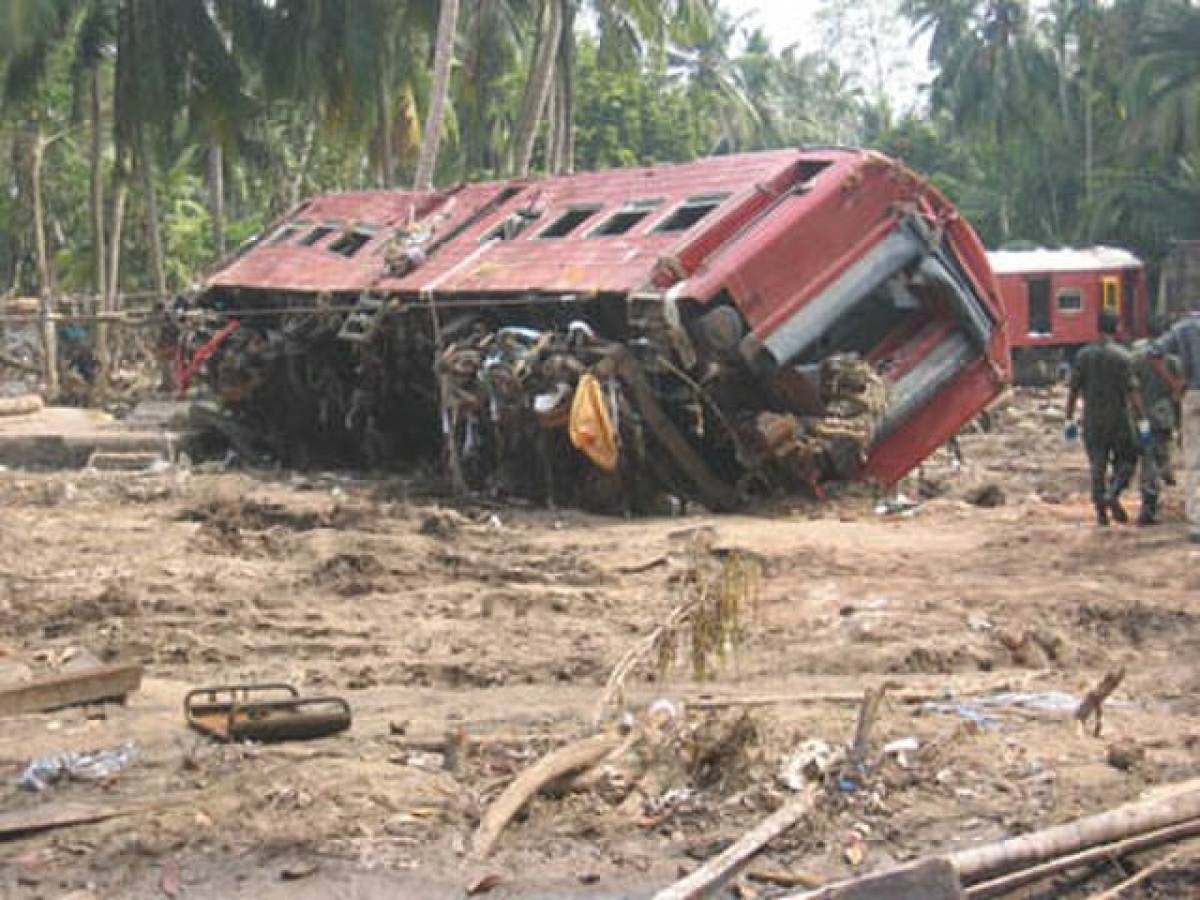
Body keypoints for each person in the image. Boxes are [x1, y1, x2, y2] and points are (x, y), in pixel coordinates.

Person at [1065, 312, 1147, 527]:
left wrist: (1069, 419)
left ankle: (1100, 510)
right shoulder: (1123, 356)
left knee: (1097, 465)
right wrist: (1143, 420)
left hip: (1092, 419)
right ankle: (1113, 493)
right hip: (1119, 419)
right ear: (1117, 328)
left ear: (1097, 327)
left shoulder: (1083, 356)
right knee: (1128, 459)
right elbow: (1133, 392)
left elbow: (1073, 390)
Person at [1150, 311, 1200, 542]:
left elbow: (1155, 353)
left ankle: (1197, 524)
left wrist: (1175, 384)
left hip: (1193, 395)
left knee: (1195, 462)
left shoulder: (1185, 327)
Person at [1132, 339, 1185, 525]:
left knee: (1148, 457)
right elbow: (1178, 394)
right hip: (1164, 415)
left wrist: (1138, 416)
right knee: (1158, 454)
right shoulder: (1173, 361)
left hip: (1143, 416)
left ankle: (1149, 503)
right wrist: (1179, 423)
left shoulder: (1136, 359)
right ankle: (1152, 501)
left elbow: (1132, 391)